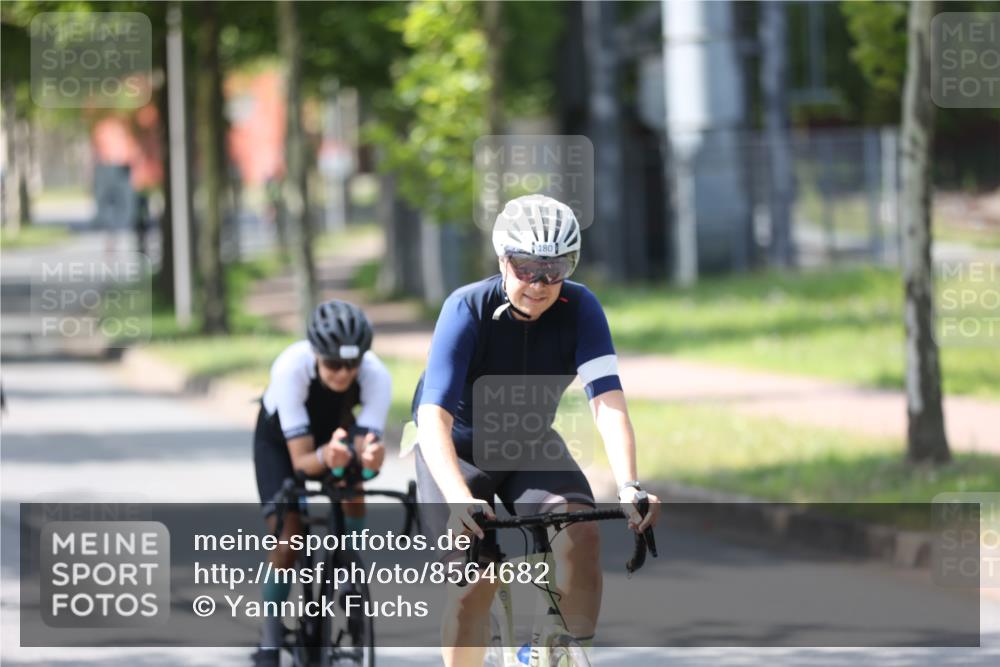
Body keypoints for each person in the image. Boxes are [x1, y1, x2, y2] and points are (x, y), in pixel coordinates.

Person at [411, 194, 662, 665]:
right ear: (504, 259)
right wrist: (458, 495)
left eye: (555, 268)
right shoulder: (465, 309)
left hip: (527, 442)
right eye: (527, 267)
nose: (540, 283)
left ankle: (558, 653)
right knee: (474, 582)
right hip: (455, 449)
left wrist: (629, 483)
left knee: (582, 532)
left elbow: (607, 402)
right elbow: (432, 418)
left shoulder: (581, 307)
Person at [252, 300, 390, 666]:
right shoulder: (290, 369)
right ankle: (269, 641)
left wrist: (371, 460)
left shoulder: (376, 375)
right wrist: (328, 457)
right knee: (289, 539)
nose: (343, 373)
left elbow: (366, 449)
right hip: (283, 446)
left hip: (335, 437)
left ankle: (347, 567)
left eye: (351, 364)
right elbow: (301, 463)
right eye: (332, 364)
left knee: (355, 489)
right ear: (315, 354)